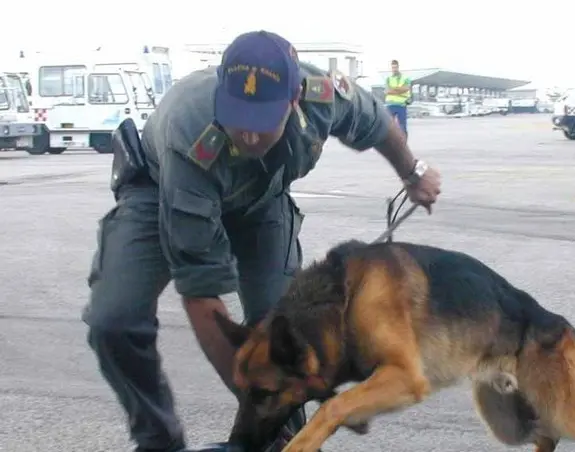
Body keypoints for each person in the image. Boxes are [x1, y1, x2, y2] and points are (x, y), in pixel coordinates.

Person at [81, 30, 441, 452]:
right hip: (163, 190)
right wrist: (259, 403)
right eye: (239, 118)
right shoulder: (191, 134)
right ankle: (158, 440)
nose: (248, 136)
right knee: (114, 320)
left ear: (293, 101)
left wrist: (413, 173)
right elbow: (202, 298)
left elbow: (376, 123)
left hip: (261, 203)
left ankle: (292, 444)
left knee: (284, 332)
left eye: (261, 123)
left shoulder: (323, 96)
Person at [385, 59, 413, 138]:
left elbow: (406, 88)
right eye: (392, 68)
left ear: (398, 67)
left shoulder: (405, 78)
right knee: (389, 126)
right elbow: (387, 91)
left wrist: (393, 90)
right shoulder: (388, 78)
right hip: (390, 104)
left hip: (401, 104)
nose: (394, 69)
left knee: (402, 126)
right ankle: (390, 144)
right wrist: (399, 90)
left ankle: (403, 143)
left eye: (395, 67)